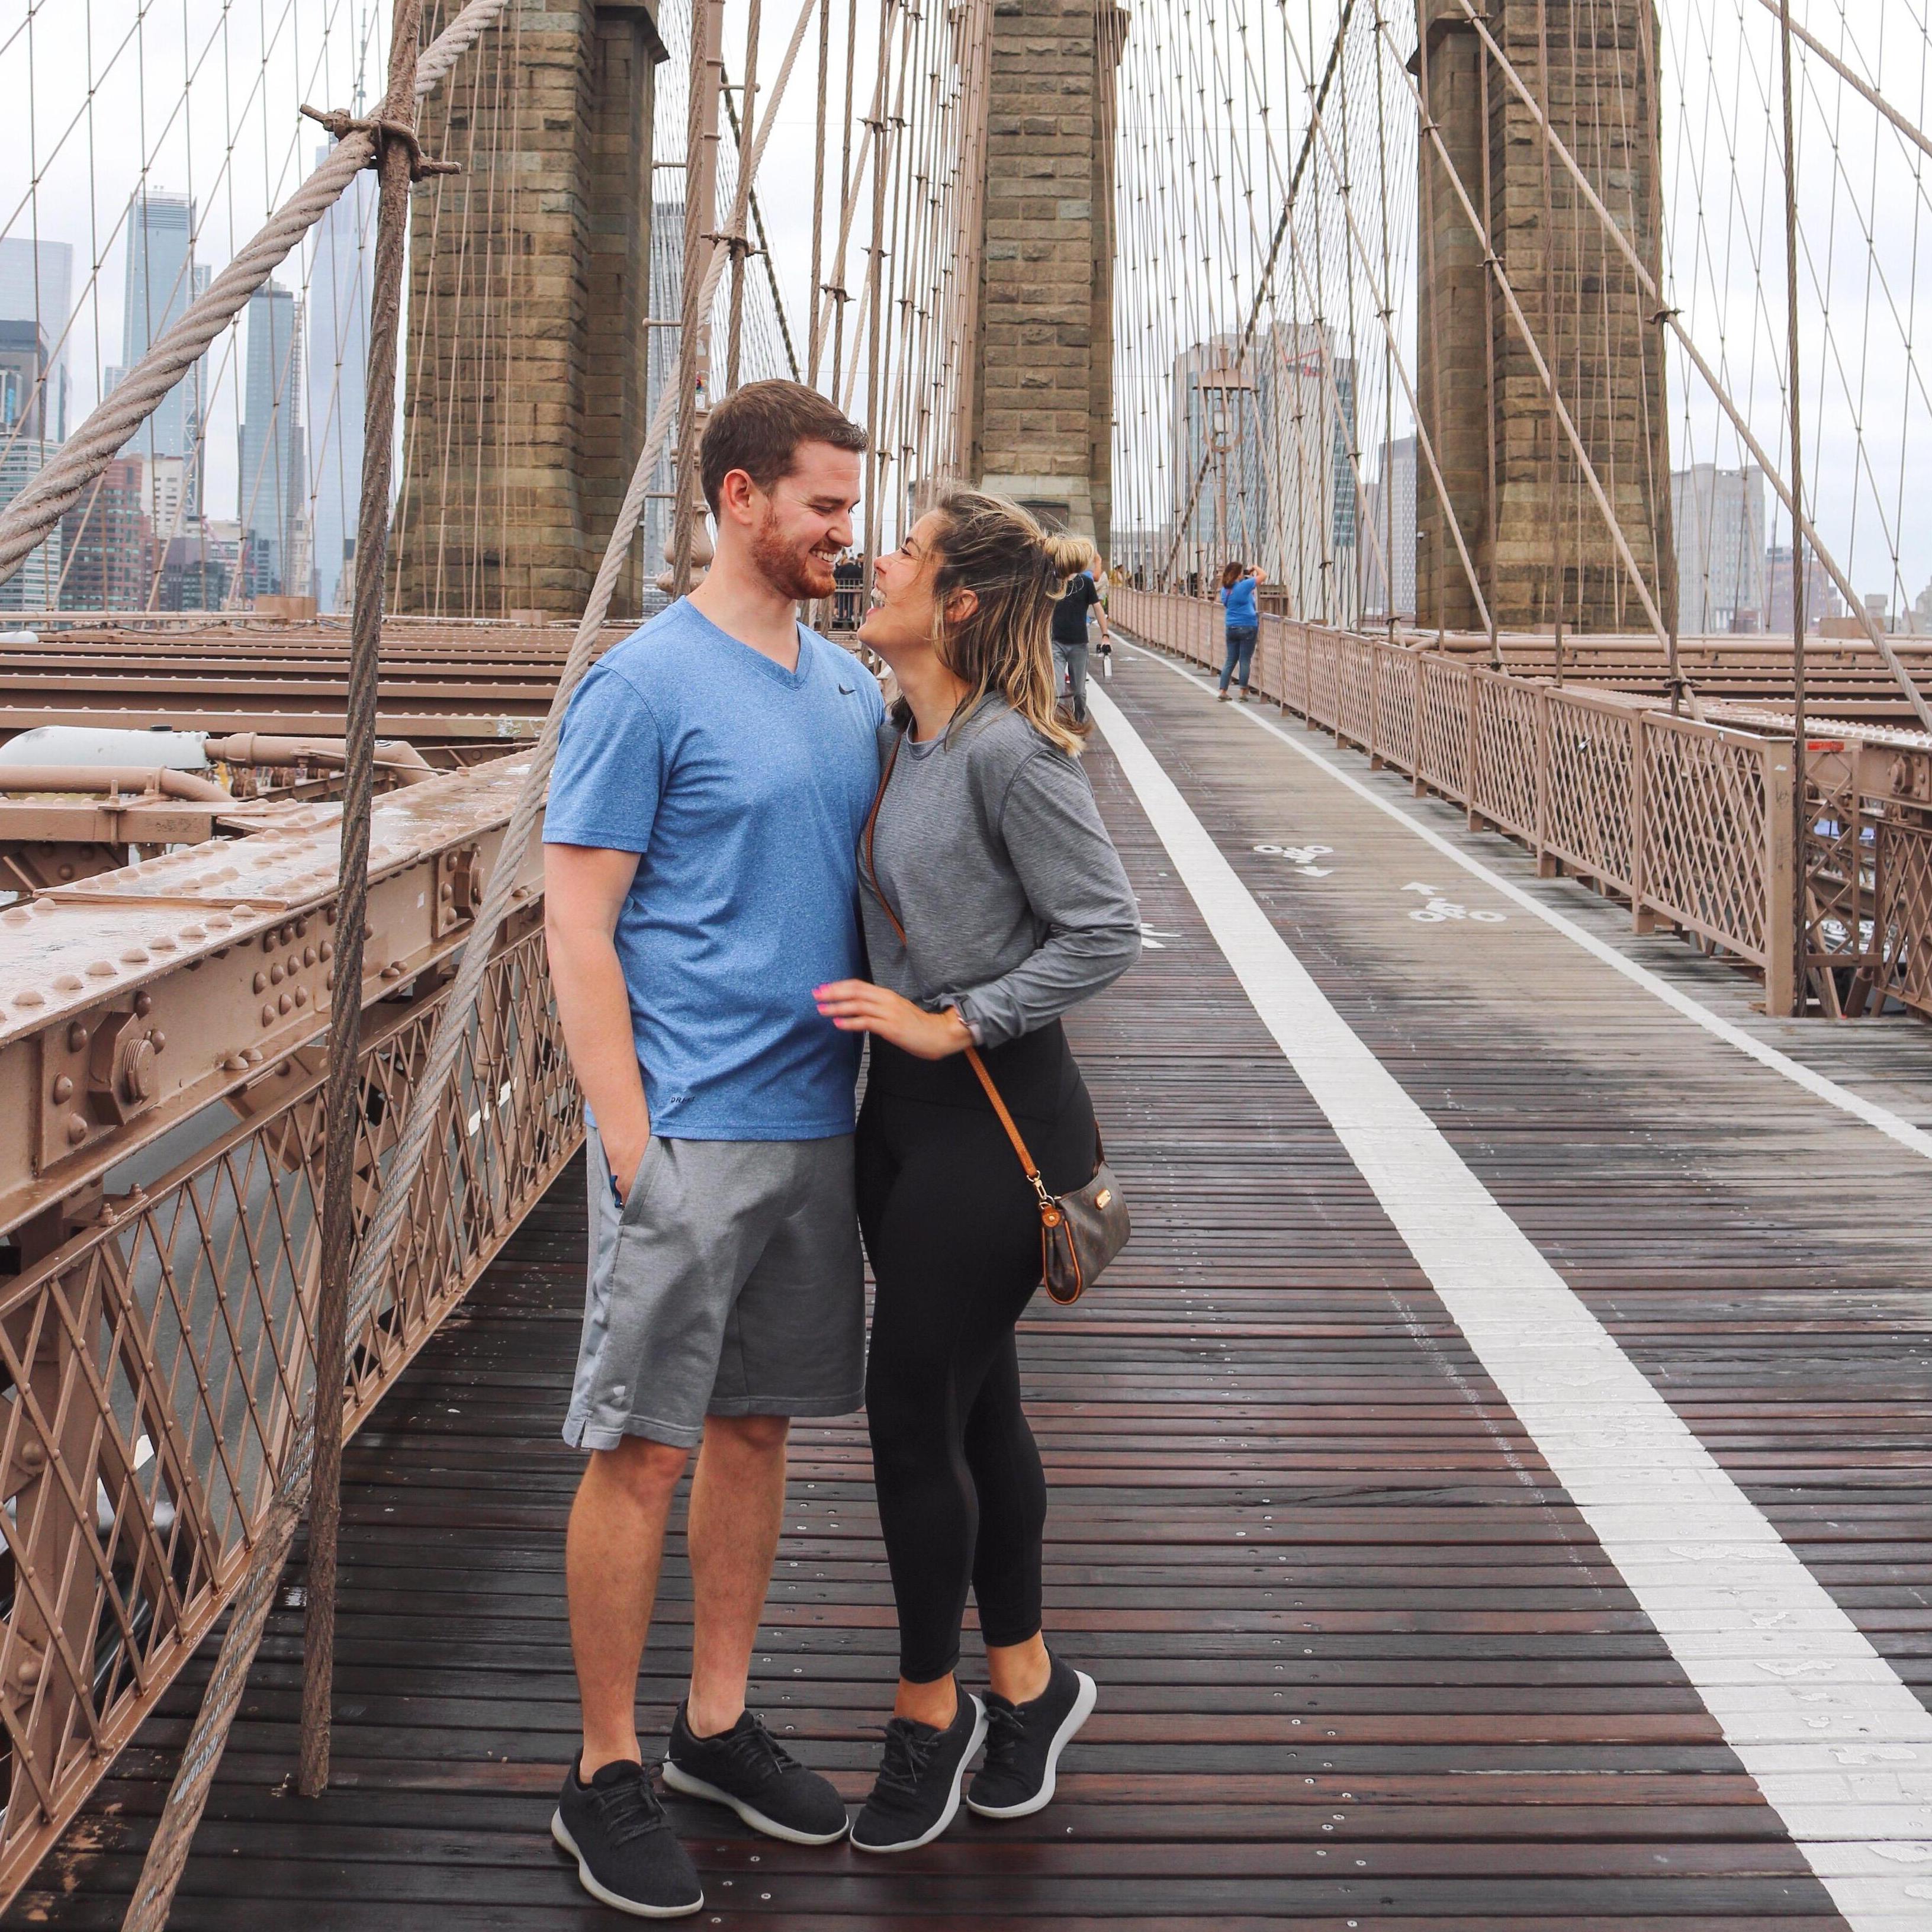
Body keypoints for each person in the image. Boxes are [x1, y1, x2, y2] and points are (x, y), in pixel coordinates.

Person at [542, 380, 882, 1918]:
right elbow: (575, 922)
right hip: (684, 1130)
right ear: (739, 497)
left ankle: (714, 1723)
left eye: (850, 506)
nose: (842, 530)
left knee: (753, 1431)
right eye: (821, 503)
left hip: (817, 1126)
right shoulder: (642, 683)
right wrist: (631, 1146)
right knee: (643, 1446)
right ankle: (602, 1766)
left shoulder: (845, 687)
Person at [814, 493, 1142, 1854]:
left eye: (901, 548)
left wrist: (958, 1021)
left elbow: (1105, 928)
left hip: (997, 1134)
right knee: (976, 1408)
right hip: (900, 1127)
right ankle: (1030, 1682)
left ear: (954, 601)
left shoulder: (1009, 749)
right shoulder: (898, 732)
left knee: (909, 1417)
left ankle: (927, 1711)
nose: (873, 559)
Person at [1048, 549, 1108, 724]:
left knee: (1079, 693)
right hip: (1056, 643)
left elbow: (1098, 608)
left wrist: (1105, 635)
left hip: (1079, 644)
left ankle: (1079, 723)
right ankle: (1060, 727)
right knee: (1057, 691)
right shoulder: (1052, 583)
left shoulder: (1085, 582)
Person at [1219, 558, 1261, 702]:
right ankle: (1243, 693)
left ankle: (1223, 691)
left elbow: (1230, 604)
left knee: (1230, 660)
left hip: (1231, 627)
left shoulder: (1225, 590)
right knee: (1244, 660)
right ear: (1238, 574)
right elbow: (1264, 576)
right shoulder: (1244, 586)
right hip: (1248, 626)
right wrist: (1255, 567)